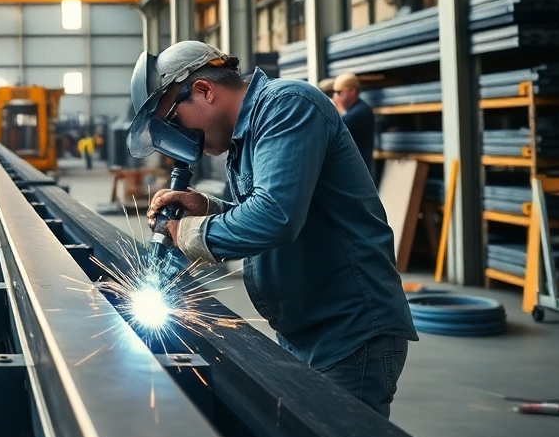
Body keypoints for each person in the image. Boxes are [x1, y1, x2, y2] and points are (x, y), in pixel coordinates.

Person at [127, 41, 416, 417]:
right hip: (305, 327)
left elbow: (275, 219)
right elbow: (275, 212)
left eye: (176, 122)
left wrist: (188, 234)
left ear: (203, 91)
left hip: (349, 332)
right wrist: (210, 208)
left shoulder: (288, 106)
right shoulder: (243, 138)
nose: (179, 139)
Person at [332, 72, 375, 176]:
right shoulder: (354, 110)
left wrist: (336, 109)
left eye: (339, 92)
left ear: (352, 91)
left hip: (358, 174)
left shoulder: (360, 112)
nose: (335, 97)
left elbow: (334, 129)